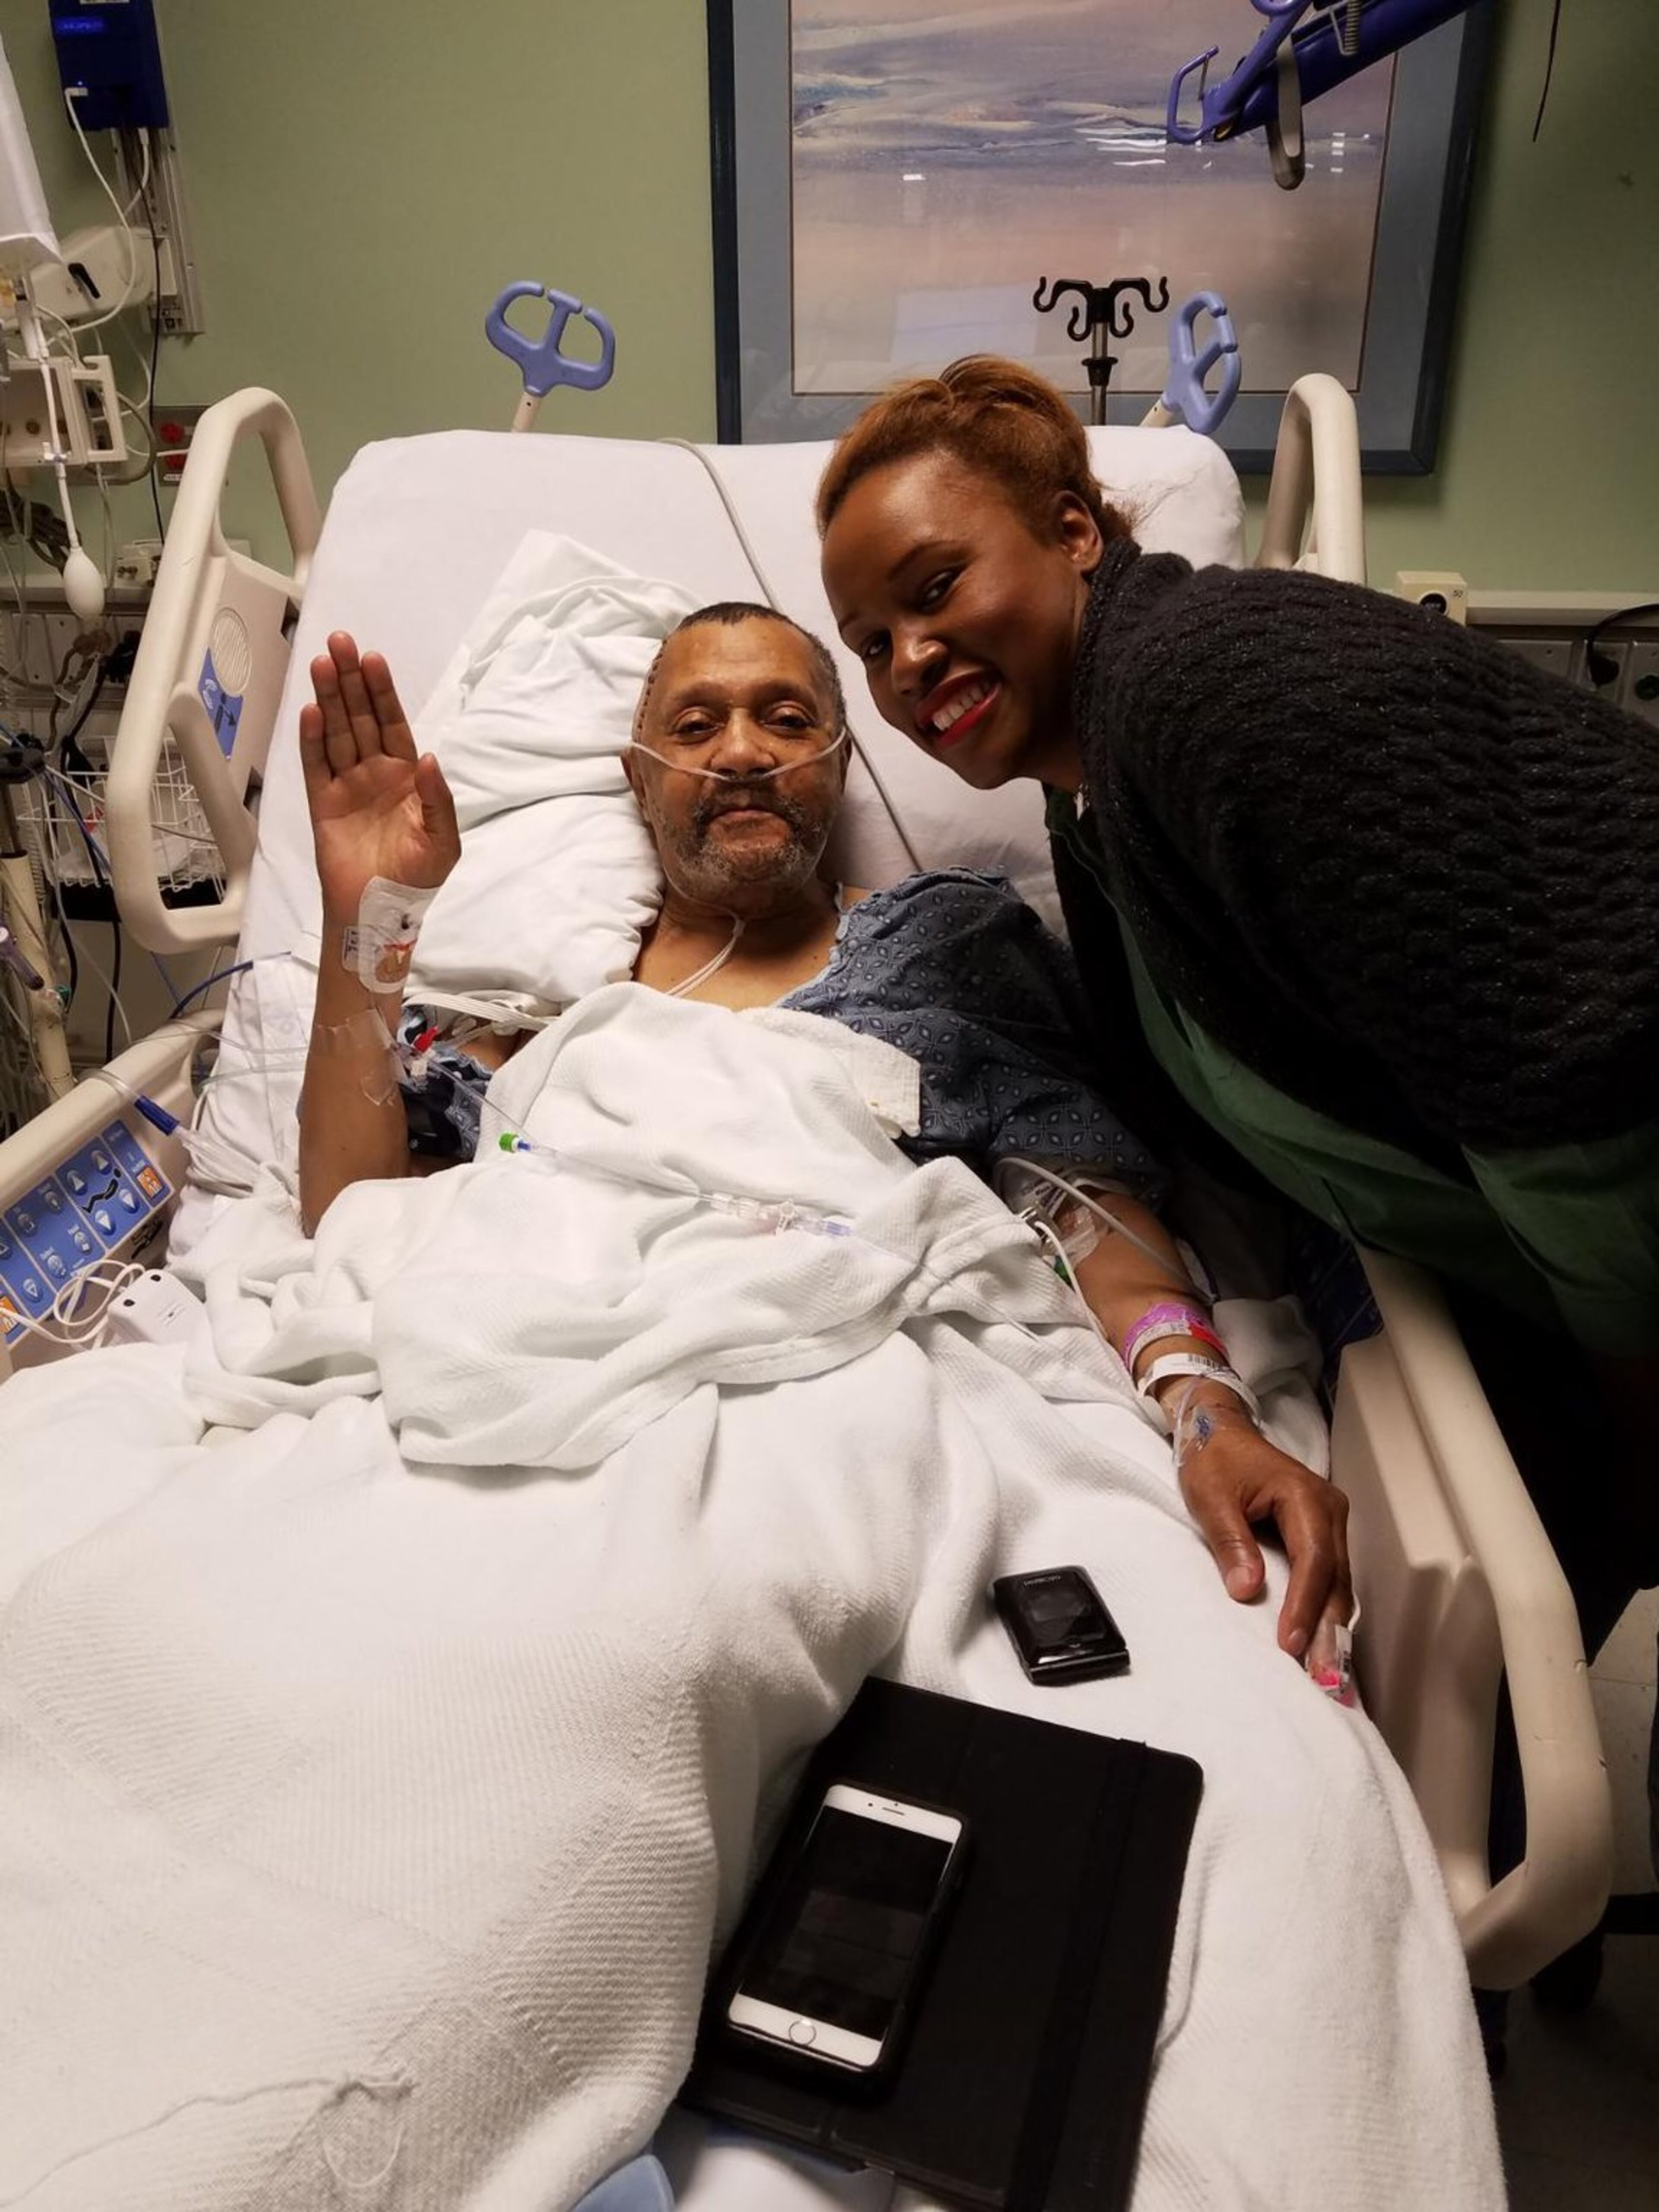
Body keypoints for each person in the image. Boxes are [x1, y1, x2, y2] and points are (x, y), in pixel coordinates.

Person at [817, 353, 1659, 1890]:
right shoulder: (1094, 799)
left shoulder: (1225, 695)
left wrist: (1632, 1420)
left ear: (1078, 530)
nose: (909, 657)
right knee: (1482, 1772)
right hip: (1547, 1274)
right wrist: (1200, 1391)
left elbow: (1578, 1078)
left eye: (937, 587)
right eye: (872, 640)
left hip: (1629, 1240)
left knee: (1495, 1765)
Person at [295, 604, 1351, 1671]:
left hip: (845, 1438)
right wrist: (370, 915)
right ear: (637, 776)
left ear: (839, 764)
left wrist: (1205, 1407)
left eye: (786, 719)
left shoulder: (943, 945)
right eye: (698, 725)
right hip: (530, 1428)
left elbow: (1079, 1203)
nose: (744, 751)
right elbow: (354, 1219)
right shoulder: (544, 1012)